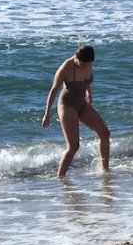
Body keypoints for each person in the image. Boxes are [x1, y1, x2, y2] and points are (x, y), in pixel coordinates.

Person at [42, 45, 111, 178]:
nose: (85, 66)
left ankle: (105, 171)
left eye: (88, 63)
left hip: (81, 103)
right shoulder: (66, 68)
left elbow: (87, 82)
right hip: (67, 105)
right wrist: (47, 114)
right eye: (83, 63)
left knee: (104, 133)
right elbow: (54, 90)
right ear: (76, 56)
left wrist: (88, 93)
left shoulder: (87, 63)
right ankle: (60, 178)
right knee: (73, 146)